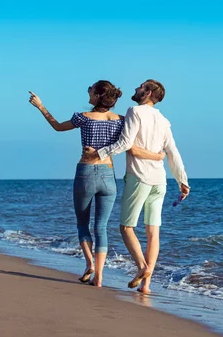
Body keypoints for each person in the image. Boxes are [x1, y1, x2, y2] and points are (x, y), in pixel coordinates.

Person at [28, 80, 164, 287]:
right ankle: (99, 277)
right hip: (108, 175)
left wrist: (41, 107)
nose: (88, 91)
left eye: (91, 89)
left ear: (98, 95)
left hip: (85, 173)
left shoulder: (83, 118)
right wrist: (157, 156)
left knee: (83, 223)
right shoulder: (121, 120)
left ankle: (89, 264)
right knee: (101, 227)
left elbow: (56, 126)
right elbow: (132, 146)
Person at [83, 79, 190, 294]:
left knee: (126, 227)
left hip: (139, 177)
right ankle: (146, 286)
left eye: (140, 87)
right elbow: (173, 152)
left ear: (148, 93)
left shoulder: (135, 111)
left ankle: (142, 267)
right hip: (160, 180)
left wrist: (98, 153)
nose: (135, 89)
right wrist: (182, 181)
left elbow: (125, 144)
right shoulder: (164, 120)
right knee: (153, 232)